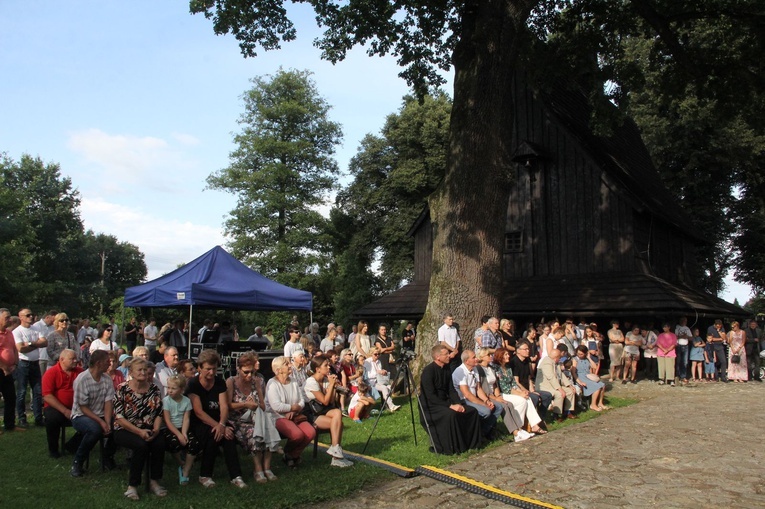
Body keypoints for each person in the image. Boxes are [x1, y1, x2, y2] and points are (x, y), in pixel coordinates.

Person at [186, 349, 247, 488]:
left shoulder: (219, 382)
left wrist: (222, 424)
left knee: (228, 436)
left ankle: (236, 475)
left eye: (214, 369)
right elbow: (199, 411)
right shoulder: (193, 384)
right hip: (198, 422)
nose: (211, 372)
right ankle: (205, 475)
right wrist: (218, 426)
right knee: (214, 435)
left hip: (219, 419)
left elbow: (224, 406)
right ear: (199, 368)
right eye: (208, 369)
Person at [113, 357, 167, 500]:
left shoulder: (154, 389)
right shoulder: (122, 389)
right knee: (141, 445)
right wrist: (139, 432)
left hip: (149, 428)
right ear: (131, 372)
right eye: (140, 370)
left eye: (145, 370)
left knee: (159, 443)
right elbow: (119, 417)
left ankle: (154, 481)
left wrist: (155, 430)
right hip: (125, 429)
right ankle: (133, 486)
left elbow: (158, 413)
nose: (143, 373)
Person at [227, 352, 281, 482]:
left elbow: (263, 406)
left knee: (268, 429)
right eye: (246, 372)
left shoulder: (257, 381)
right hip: (238, 420)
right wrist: (245, 404)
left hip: (256, 417)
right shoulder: (231, 382)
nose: (249, 375)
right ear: (238, 369)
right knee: (253, 433)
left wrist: (256, 402)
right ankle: (258, 469)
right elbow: (228, 405)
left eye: (251, 372)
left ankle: (267, 468)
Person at [419, 344, 481, 454]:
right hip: (432, 405)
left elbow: (451, 390)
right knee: (450, 414)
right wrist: (450, 406)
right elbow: (430, 396)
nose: (449, 356)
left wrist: (458, 403)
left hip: (446, 401)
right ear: (438, 357)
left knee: (472, 411)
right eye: (446, 354)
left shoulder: (447, 369)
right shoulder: (428, 371)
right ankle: (454, 446)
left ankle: (471, 443)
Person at [70, 350, 116, 476]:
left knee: (118, 426)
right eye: (107, 362)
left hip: (101, 413)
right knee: (94, 430)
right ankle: (77, 462)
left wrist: (107, 422)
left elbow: (108, 402)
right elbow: (83, 407)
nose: (110, 364)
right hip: (81, 415)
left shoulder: (106, 379)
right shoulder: (82, 379)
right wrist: (101, 422)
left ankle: (107, 456)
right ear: (98, 363)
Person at [266, 356, 316, 468]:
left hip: (295, 414)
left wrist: (295, 409)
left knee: (310, 432)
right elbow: (276, 406)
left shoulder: (293, 381)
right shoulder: (272, 383)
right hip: (277, 416)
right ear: (278, 370)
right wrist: (292, 408)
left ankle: (291, 455)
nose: (290, 366)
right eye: (286, 364)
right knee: (296, 435)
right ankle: (290, 455)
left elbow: (302, 399)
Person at [304, 355, 354, 467]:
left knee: (337, 412)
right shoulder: (310, 382)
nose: (329, 368)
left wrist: (334, 388)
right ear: (317, 369)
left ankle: (335, 451)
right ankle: (336, 456)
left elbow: (331, 402)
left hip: (322, 410)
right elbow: (325, 401)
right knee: (338, 423)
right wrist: (331, 385)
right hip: (312, 414)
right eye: (325, 366)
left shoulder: (326, 380)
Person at [484, 347, 542, 441]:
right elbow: (503, 387)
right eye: (506, 354)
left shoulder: (508, 368)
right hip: (503, 393)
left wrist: (521, 391)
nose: (508, 356)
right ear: (500, 356)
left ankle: (533, 425)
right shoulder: (496, 368)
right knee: (521, 401)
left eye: (508, 354)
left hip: (511, 391)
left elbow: (513, 383)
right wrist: (519, 394)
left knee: (527, 398)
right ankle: (519, 428)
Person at [41, 348, 83, 457]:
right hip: (55, 407)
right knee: (52, 418)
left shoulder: (80, 372)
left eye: (76, 358)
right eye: (72, 359)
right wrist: (64, 411)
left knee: (93, 418)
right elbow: (47, 396)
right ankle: (53, 450)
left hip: (78, 406)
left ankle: (72, 446)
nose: (75, 361)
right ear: (62, 359)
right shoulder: (51, 373)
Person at [452, 350, 502, 439]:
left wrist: (486, 400)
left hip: (474, 397)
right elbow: (466, 394)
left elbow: (478, 388)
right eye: (474, 357)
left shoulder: (474, 369)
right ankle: (478, 434)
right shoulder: (460, 372)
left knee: (498, 407)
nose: (476, 359)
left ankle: (483, 432)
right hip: (464, 400)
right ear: (467, 361)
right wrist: (484, 404)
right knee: (486, 411)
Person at [13, 308, 48, 427]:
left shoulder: (36, 328)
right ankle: (22, 418)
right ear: (21, 317)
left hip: (35, 362)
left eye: (32, 315)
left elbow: (45, 342)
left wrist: (30, 343)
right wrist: (35, 344)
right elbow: (20, 348)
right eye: (28, 315)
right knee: (22, 392)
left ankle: (38, 418)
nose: (31, 317)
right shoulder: (17, 331)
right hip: (23, 363)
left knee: (38, 391)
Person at [162, 374, 197, 485]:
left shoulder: (186, 401)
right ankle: (180, 462)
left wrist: (184, 433)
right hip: (171, 428)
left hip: (183, 427)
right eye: (169, 388)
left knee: (194, 444)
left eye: (173, 388)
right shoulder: (166, 401)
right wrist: (178, 435)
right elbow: (167, 421)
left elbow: (186, 419)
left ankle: (186, 470)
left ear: (181, 390)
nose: (170, 391)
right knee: (173, 443)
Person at [510, 339, 552, 419]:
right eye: (525, 349)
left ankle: (541, 418)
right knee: (534, 397)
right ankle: (530, 420)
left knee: (547, 395)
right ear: (518, 351)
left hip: (528, 388)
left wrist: (532, 390)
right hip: (520, 390)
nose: (528, 351)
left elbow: (529, 377)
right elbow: (516, 382)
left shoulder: (526, 360)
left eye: (528, 349)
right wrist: (528, 392)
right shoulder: (514, 362)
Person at [535, 345, 576, 421]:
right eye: (559, 357)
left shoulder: (555, 363)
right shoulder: (546, 362)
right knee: (559, 394)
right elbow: (551, 377)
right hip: (546, 386)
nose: (560, 359)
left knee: (570, 391)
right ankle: (556, 414)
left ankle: (568, 412)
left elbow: (561, 375)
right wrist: (560, 389)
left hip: (555, 385)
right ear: (556, 357)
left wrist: (569, 385)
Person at [0, 308, 22, 432]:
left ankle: (10, 424)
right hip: (1, 369)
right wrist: (3, 367)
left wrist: (15, 363)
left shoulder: (9, 333)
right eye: (6, 318)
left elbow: (13, 349)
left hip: (9, 370)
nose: (9, 320)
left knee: (10, 397)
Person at [364, 347, 400, 412]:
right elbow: (368, 375)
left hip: (379, 380)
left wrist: (383, 372)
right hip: (371, 382)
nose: (377, 356)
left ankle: (386, 404)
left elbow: (379, 371)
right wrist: (378, 372)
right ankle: (391, 405)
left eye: (379, 354)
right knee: (384, 388)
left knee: (389, 387)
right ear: (371, 354)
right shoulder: (367, 362)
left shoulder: (379, 361)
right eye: (375, 354)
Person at [572, 345, 607, 411]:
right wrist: (580, 382)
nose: (579, 355)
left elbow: (594, 367)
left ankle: (600, 402)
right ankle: (593, 404)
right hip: (580, 377)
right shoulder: (575, 359)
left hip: (588, 376)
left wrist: (589, 358)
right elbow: (574, 373)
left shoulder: (587, 359)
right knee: (597, 387)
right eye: (578, 353)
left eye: (581, 354)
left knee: (602, 385)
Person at [675, 317, 693, 384]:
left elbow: (691, 338)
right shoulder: (677, 328)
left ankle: (683, 376)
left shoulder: (687, 328)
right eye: (682, 320)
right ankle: (677, 375)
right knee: (678, 361)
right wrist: (682, 336)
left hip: (685, 346)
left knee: (685, 362)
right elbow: (675, 336)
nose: (684, 322)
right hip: (678, 345)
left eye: (685, 321)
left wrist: (687, 337)